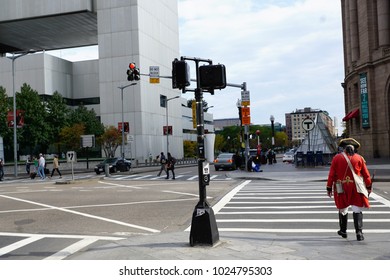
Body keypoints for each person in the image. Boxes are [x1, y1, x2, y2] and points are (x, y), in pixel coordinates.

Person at [326, 138, 372, 241]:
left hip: (341, 188)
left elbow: (331, 175)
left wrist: (329, 188)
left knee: (343, 209)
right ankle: (359, 233)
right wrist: (368, 187)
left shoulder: (336, 158)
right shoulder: (359, 158)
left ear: (344, 148)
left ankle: (343, 231)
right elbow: (366, 175)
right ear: (354, 149)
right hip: (355, 187)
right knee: (357, 210)